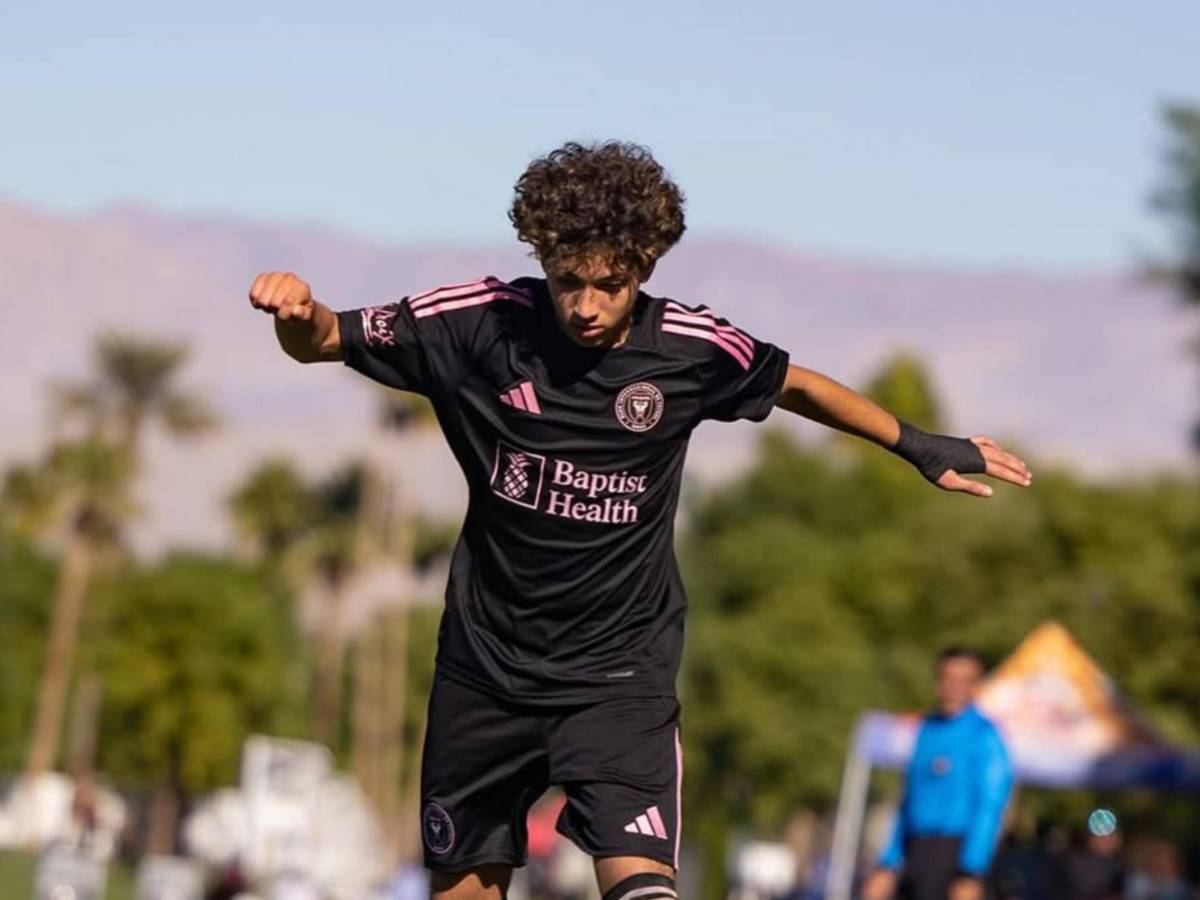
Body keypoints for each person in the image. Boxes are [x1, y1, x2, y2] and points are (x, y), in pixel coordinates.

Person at [247, 141, 1032, 900]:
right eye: (566, 282)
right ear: (542, 261)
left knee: (644, 887)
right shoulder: (478, 323)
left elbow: (798, 387)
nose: (585, 306)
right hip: (485, 673)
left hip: (618, 678)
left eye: (609, 285)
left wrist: (920, 445)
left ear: (645, 269)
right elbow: (325, 339)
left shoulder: (690, 349)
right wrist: (299, 308)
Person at [862, 647, 1015, 900]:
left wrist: (971, 871)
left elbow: (989, 806)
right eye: (948, 679)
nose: (953, 687)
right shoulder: (926, 729)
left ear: (976, 686)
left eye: (963, 681)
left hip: (956, 853)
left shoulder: (985, 735)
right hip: (916, 851)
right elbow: (908, 802)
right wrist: (888, 863)